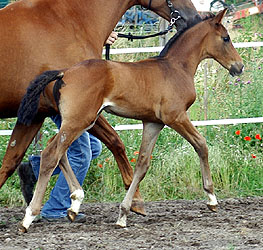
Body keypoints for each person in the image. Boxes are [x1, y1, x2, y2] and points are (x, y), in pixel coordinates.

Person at [17, 32, 118, 223]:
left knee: (94, 147)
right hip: (64, 91)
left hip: (76, 91)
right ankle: (55, 208)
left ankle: (34, 168)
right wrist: (97, 36)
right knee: (81, 153)